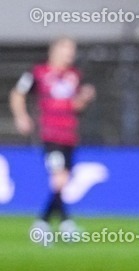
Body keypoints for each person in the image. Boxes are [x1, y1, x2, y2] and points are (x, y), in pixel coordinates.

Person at [9, 37, 95, 240]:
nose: (70, 54)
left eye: (72, 50)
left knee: (62, 180)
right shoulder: (37, 73)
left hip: (70, 135)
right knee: (59, 177)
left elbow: (75, 106)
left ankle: (58, 222)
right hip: (51, 134)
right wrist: (21, 116)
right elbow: (17, 93)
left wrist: (84, 98)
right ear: (54, 50)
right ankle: (48, 223)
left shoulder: (74, 76)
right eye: (66, 49)